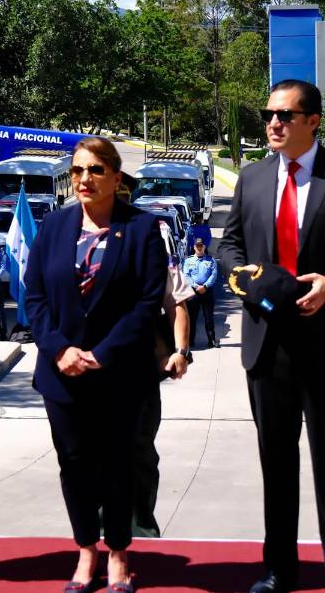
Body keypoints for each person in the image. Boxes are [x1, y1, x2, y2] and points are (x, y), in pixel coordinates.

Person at [218, 79, 325, 593]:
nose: (273, 123)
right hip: (267, 342)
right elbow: (229, 245)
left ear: (312, 121)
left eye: (285, 115)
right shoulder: (251, 178)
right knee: (276, 461)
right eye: (269, 114)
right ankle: (278, 569)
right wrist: (242, 279)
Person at [24, 137, 167, 593]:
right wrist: (60, 349)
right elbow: (34, 297)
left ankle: (119, 554)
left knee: (118, 466)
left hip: (119, 374)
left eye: (95, 171)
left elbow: (147, 303)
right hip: (62, 373)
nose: (84, 179)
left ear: (116, 177)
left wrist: (102, 354)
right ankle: (86, 551)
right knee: (75, 465)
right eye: (77, 171)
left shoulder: (143, 229)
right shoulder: (52, 227)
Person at [133, 217, 195, 538]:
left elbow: (176, 304)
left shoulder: (155, 252)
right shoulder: (84, 245)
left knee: (140, 450)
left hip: (140, 369)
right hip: (95, 369)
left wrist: (180, 351)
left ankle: (142, 529)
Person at [182, 238, 220, 348]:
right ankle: (190, 341)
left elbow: (213, 275)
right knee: (191, 318)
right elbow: (186, 275)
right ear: (194, 247)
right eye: (197, 246)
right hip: (193, 292)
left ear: (204, 247)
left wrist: (205, 286)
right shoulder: (188, 261)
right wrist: (195, 286)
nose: (199, 247)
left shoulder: (211, 260)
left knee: (209, 318)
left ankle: (211, 340)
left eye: (201, 246)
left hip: (207, 291)